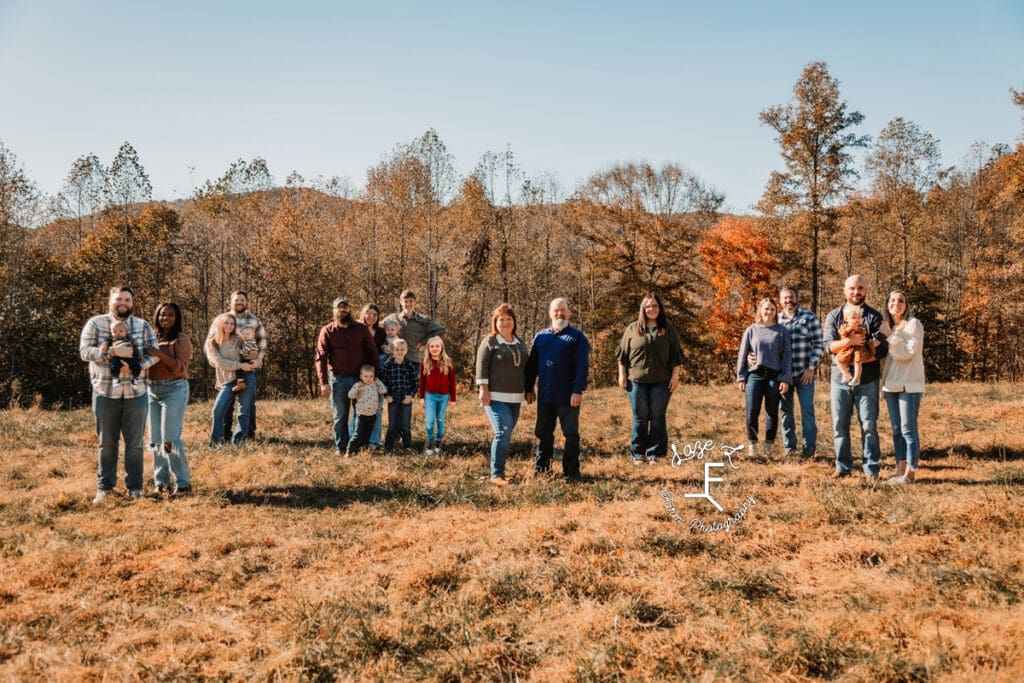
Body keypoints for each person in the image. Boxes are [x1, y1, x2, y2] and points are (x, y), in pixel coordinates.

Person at [79, 286, 158, 503]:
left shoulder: (143, 326)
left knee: (135, 444)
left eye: (127, 300)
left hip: (136, 393)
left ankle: (135, 488)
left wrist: (137, 367)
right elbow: (85, 352)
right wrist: (111, 352)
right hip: (105, 393)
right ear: (110, 301)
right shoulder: (96, 323)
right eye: (118, 299)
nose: (123, 303)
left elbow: (155, 353)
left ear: (132, 303)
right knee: (107, 443)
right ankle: (105, 488)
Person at [825, 274, 889, 482]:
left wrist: (863, 353)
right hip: (839, 380)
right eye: (852, 288)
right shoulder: (834, 316)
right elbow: (828, 346)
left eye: (860, 288)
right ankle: (842, 467)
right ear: (845, 291)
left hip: (868, 380)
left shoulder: (875, 317)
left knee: (869, 425)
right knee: (839, 425)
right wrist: (851, 342)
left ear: (866, 290)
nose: (856, 292)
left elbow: (883, 348)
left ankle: (871, 469)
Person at [525, 298, 591, 480]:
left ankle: (571, 472)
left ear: (569, 312)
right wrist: (528, 388)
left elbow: (582, 366)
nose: (559, 313)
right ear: (550, 313)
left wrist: (578, 390)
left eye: (563, 310)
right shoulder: (541, 337)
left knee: (570, 433)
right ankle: (542, 471)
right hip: (545, 395)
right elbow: (532, 365)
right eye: (556, 310)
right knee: (543, 433)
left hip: (568, 396)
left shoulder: (577, 337)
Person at [616, 293, 683, 465]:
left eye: (655, 306)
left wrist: (675, 376)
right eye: (648, 306)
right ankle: (638, 454)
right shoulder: (632, 328)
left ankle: (655, 454)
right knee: (640, 417)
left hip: (661, 381)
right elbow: (622, 355)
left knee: (657, 417)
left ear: (660, 309)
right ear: (643, 309)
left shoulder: (667, 329)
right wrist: (622, 374)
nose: (651, 309)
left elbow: (676, 355)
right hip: (636, 381)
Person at [315, 297, 379, 455]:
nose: (342, 310)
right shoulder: (327, 331)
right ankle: (341, 448)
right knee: (340, 416)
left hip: (361, 380)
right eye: (339, 308)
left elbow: (372, 352)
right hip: (338, 380)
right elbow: (321, 358)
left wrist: (374, 375)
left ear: (350, 309)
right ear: (334, 311)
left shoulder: (361, 328)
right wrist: (324, 383)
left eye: (345, 307)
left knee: (362, 414)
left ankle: (358, 446)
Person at [476, 303, 529, 486]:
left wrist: (529, 389)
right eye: (501, 320)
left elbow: (526, 367)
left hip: (516, 397)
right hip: (495, 397)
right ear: (495, 322)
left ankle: (500, 471)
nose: (505, 323)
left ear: (514, 321)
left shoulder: (519, 342)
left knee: (506, 434)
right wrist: (483, 388)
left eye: (509, 319)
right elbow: (481, 366)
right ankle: (496, 474)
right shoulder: (490, 341)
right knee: (502, 431)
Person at [145, 302, 193, 496]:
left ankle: (183, 483)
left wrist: (158, 354)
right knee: (155, 440)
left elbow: (180, 367)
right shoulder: (151, 338)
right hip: (152, 390)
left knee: (170, 439)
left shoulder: (181, 339)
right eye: (162, 315)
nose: (166, 318)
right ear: (157, 317)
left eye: (170, 315)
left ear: (177, 317)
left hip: (174, 389)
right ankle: (161, 482)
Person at [736, 297, 792, 458]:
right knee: (752, 411)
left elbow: (787, 356)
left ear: (776, 312)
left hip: (774, 375)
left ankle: (768, 447)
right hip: (755, 375)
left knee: (771, 412)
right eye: (766, 308)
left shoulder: (782, 331)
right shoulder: (751, 330)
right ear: (760, 310)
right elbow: (743, 353)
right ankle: (752, 446)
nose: (769, 312)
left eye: (772, 309)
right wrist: (741, 377)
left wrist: (785, 378)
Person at [880, 290, 926, 485]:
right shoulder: (886, 326)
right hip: (890, 385)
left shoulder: (913, 324)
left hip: (910, 384)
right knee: (897, 430)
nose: (896, 304)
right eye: (892, 300)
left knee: (908, 429)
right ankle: (899, 472)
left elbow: (907, 353)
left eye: (901, 301)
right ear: (887, 304)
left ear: (906, 305)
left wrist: (890, 336)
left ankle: (910, 473)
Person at [777, 287, 824, 459]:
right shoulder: (775, 320)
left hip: (805, 374)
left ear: (797, 298)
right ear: (780, 301)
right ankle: (790, 448)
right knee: (785, 412)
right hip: (784, 376)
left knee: (807, 411)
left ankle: (809, 450)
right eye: (785, 298)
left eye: (791, 297)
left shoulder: (809, 317)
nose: (788, 300)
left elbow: (819, 343)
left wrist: (811, 367)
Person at [220, 291, 267, 441]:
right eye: (236, 300)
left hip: (249, 368)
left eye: (242, 300)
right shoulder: (223, 320)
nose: (239, 302)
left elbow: (262, 344)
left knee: (247, 404)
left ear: (246, 303)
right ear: (231, 302)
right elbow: (213, 341)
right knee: (226, 403)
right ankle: (225, 434)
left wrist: (259, 359)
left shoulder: (254, 320)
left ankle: (246, 435)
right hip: (228, 368)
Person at [205, 313, 256, 446]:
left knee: (243, 411)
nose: (229, 326)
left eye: (232, 323)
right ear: (220, 324)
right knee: (218, 410)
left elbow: (251, 352)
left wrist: (257, 361)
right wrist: (240, 365)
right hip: (228, 381)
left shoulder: (238, 339)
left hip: (246, 376)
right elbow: (220, 362)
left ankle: (239, 442)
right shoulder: (213, 343)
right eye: (226, 323)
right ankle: (216, 442)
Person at [349, 303, 386, 447]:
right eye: (369, 313)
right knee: (359, 409)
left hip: (376, 374)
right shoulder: (357, 329)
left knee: (377, 408)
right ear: (363, 314)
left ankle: (374, 440)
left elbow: (391, 345)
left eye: (375, 315)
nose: (371, 317)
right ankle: (353, 438)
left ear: (378, 318)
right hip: (361, 375)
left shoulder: (381, 332)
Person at [382, 290, 446, 370]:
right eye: (406, 301)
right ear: (401, 302)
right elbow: (379, 325)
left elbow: (441, 330)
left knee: (414, 382)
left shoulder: (422, 319)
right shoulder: (394, 318)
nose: (408, 304)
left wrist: (423, 342)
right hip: (396, 360)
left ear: (415, 302)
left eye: (411, 301)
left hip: (414, 360)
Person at [419, 336, 456, 455]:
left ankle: (439, 440)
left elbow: (453, 381)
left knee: (440, 418)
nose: (435, 349)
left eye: (437, 346)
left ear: (442, 347)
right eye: (432, 346)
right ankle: (430, 441)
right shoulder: (425, 362)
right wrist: (421, 397)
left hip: (444, 396)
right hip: (429, 395)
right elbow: (422, 382)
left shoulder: (448, 361)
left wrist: (453, 398)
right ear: (428, 348)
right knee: (429, 420)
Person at [380, 339, 418, 451]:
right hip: (393, 397)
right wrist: (386, 395)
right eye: (397, 349)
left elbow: (415, 382)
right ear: (392, 350)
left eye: (402, 349)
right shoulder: (388, 365)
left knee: (405, 424)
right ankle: (388, 447)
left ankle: (407, 447)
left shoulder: (409, 365)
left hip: (406, 397)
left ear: (406, 350)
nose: (400, 352)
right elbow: (383, 382)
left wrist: (411, 395)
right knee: (392, 424)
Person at [346, 364, 389, 454]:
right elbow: (350, 395)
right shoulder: (359, 385)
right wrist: (357, 387)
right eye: (366, 376)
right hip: (361, 415)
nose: (368, 378)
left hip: (372, 415)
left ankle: (363, 451)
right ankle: (349, 450)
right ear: (361, 376)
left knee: (367, 435)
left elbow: (383, 390)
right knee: (358, 434)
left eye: (371, 376)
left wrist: (378, 381)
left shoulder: (375, 384)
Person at [835, 305, 876, 386]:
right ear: (846, 319)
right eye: (853, 318)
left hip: (858, 349)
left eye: (859, 317)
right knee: (838, 359)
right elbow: (842, 333)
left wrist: (856, 328)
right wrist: (850, 328)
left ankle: (857, 378)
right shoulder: (844, 327)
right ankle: (846, 374)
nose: (857, 319)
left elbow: (864, 332)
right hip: (847, 349)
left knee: (857, 362)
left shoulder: (861, 328)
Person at [107, 320, 143, 386]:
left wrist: (138, 356)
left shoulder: (129, 338)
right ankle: (115, 378)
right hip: (117, 358)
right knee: (114, 366)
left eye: (121, 331)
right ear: (111, 332)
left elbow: (134, 348)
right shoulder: (110, 339)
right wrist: (105, 347)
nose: (118, 333)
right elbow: (107, 347)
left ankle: (135, 378)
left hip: (129, 357)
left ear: (125, 331)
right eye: (114, 332)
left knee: (137, 366)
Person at [233, 324, 259, 392]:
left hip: (249, 359)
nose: (245, 335)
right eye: (243, 334)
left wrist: (239, 352)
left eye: (248, 334)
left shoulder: (250, 342)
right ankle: (241, 382)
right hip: (249, 359)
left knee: (238, 368)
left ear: (253, 335)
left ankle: (241, 382)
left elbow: (245, 352)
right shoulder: (249, 341)